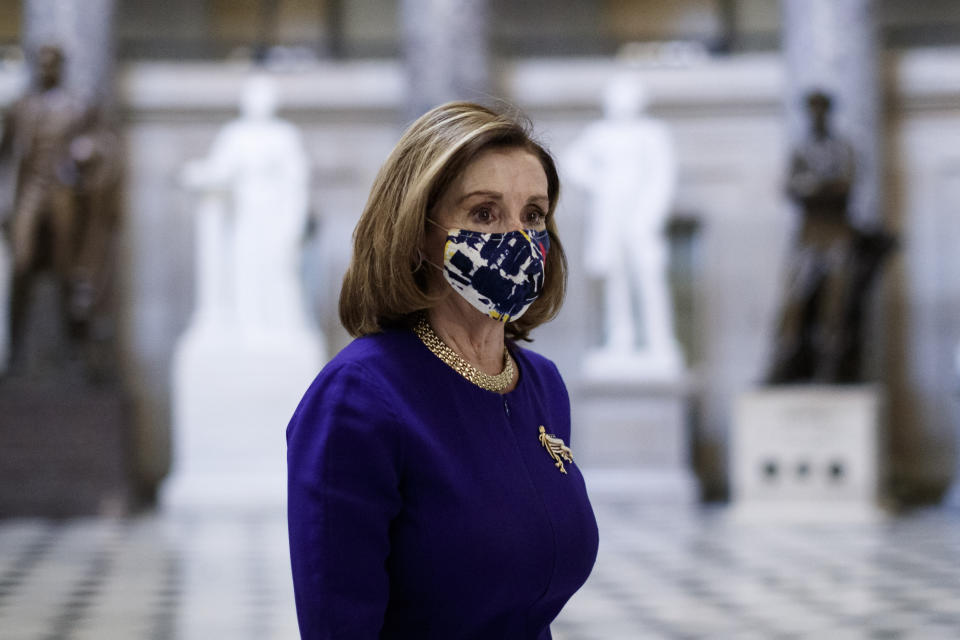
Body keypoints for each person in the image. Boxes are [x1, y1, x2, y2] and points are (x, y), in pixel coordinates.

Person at [286, 102, 599, 639]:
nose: (519, 239)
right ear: (418, 231)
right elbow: (338, 621)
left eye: (533, 215)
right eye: (484, 213)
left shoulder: (541, 383)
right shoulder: (359, 395)